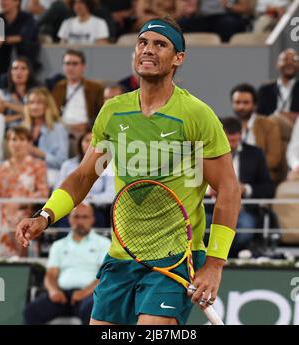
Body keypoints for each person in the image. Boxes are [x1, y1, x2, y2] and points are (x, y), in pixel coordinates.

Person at [16, 16, 241, 325]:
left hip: (174, 259)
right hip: (122, 257)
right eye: (142, 43)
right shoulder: (113, 111)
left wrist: (215, 264)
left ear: (179, 58)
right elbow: (84, 176)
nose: (148, 50)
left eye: (160, 44)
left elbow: (229, 189)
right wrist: (45, 215)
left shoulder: (196, 115)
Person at [23, 202, 111, 325]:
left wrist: (84, 293)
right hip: (62, 295)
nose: (80, 221)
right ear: (69, 219)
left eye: (85, 217)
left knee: (92, 309)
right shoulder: (58, 245)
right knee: (31, 311)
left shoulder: (104, 243)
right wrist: (54, 291)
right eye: (76, 217)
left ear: (92, 220)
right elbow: (51, 274)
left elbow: (105, 276)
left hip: (90, 295)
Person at [205, 117, 275, 257]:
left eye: (235, 141)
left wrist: (245, 189)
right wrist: (208, 190)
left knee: (245, 228)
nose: (231, 145)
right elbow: (192, 182)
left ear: (241, 135)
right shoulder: (206, 153)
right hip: (210, 209)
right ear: (220, 135)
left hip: (242, 210)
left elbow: (268, 188)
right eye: (228, 141)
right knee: (201, 226)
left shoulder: (255, 154)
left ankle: (224, 256)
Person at [0, 126, 49, 258]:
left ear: (29, 143)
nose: (17, 143)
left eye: (22, 139)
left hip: (27, 211)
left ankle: (19, 260)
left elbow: (43, 193)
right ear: (8, 142)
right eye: (13, 139)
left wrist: (20, 201)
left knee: (19, 220)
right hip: (2, 212)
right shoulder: (1, 168)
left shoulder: (38, 165)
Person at [231, 83, 283, 184]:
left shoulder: (269, 125)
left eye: (246, 102)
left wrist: (247, 166)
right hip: (232, 177)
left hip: (261, 179)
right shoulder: (228, 126)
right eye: (237, 102)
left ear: (254, 105)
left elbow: (275, 158)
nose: (241, 106)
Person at [52, 49, 104, 139]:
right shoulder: (58, 88)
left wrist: (88, 125)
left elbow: (102, 113)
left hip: (86, 132)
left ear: (83, 66)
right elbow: (52, 112)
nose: (71, 68)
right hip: (61, 132)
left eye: (75, 64)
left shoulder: (95, 88)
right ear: (63, 67)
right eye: (67, 64)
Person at [22, 87, 69, 187]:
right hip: (24, 171)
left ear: (47, 106)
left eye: (39, 103)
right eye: (31, 102)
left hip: (49, 173)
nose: (34, 107)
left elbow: (63, 162)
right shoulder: (22, 127)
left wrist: (41, 154)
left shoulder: (58, 129)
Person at [0, 0, 40, 76]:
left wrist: (4, 39)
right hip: (2, 66)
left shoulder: (27, 18)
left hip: (26, 62)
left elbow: (23, 37)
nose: (2, 2)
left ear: (17, 2)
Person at [0, 56, 39, 128]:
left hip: (30, 131)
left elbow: (36, 112)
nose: (18, 72)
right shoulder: (2, 93)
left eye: (23, 68)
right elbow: (0, 119)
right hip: (8, 132)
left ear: (29, 72)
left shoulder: (37, 93)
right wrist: (19, 116)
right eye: (15, 68)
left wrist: (7, 104)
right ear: (10, 72)